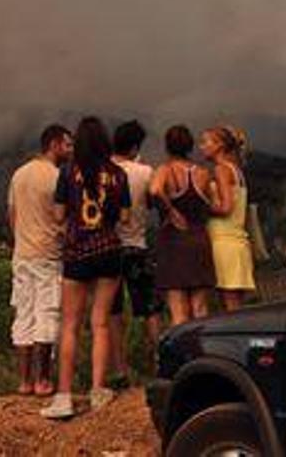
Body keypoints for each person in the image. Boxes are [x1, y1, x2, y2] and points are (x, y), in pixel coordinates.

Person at [42, 117, 130, 420]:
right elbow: (125, 217)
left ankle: (64, 395)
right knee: (100, 323)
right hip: (108, 251)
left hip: (77, 252)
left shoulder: (68, 171)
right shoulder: (118, 174)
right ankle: (97, 390)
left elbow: (58, 214)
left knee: (70, 325)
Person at [8, 124, 73, 397]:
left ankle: (23, 381)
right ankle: (43, 380)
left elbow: (12, 216)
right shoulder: (57, 177)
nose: (70, 150)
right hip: (48, 254)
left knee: (23, 314)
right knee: (47, 314)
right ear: (55, 145)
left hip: (22, 254)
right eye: (67, 144)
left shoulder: (19, 174)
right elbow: (63, 218)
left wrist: (21, 240)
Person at [107, 120, 163, 384]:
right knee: (150, 308)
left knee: (113, 311)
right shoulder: (145, 171)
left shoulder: (103, 170)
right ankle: (160, 363)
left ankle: (120, 370)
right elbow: (153, 203)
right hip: (137, 246)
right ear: (134, 147)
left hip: (109, 248)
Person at [151, 126, 216, 325]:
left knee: (178, 311)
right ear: (190, 146)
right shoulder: (203, 173)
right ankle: (203, 344)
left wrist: (171, 211)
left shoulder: (165, 170)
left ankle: (182, 346)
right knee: (200, 308)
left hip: (173, 242)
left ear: (167, 146)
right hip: (199, 240)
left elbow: (155, 190)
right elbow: (212, 204)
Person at [202, 125, 256, 312]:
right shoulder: (237, 171)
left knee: (230, 308)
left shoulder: (221, 170)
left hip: (224, 243)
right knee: (236, 307)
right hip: (237, 242)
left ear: (219, 145)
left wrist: (201, 206)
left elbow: (226, 208)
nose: (202, 147)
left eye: (206, 142)